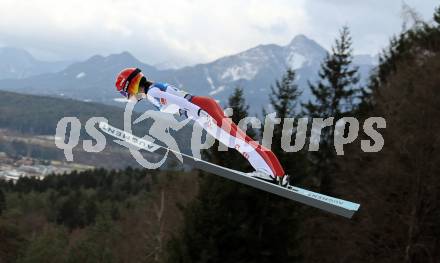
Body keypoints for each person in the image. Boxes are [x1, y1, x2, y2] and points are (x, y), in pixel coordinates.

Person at [115, 67, 290, 187]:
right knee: (239, 141)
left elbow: (181, 102)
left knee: (239, 142)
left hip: (203, 110)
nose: (129, 97)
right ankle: (275, 174)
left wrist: (199, 113)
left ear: (130, 87)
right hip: (204, 107)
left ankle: (272, 174)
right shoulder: (154, 88)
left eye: (126, 93)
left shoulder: (152, 93)